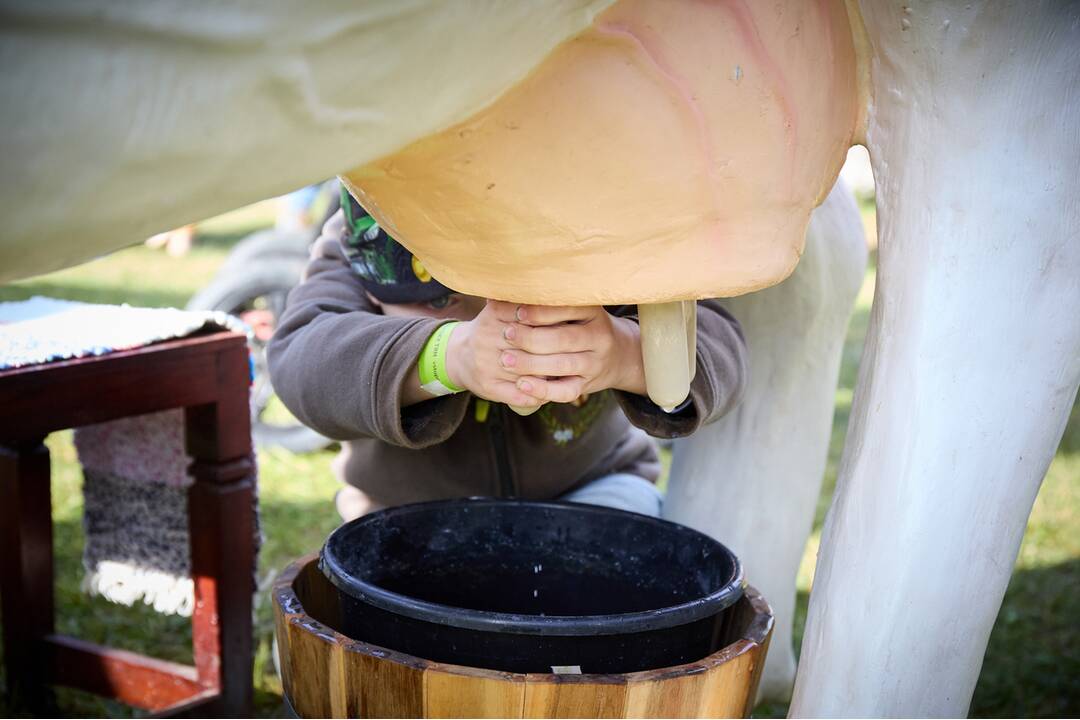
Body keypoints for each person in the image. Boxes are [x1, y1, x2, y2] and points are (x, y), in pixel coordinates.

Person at [267, 190, 748, 521]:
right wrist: (447, 356)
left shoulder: (602, 230)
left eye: (517, 291)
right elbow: (302, 359)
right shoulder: (363, 229)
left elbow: (718, 343)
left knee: (607, 603)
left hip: (592, 489)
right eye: (437, 299)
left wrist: (623, 352)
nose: (495, 321)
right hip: (405, 510)